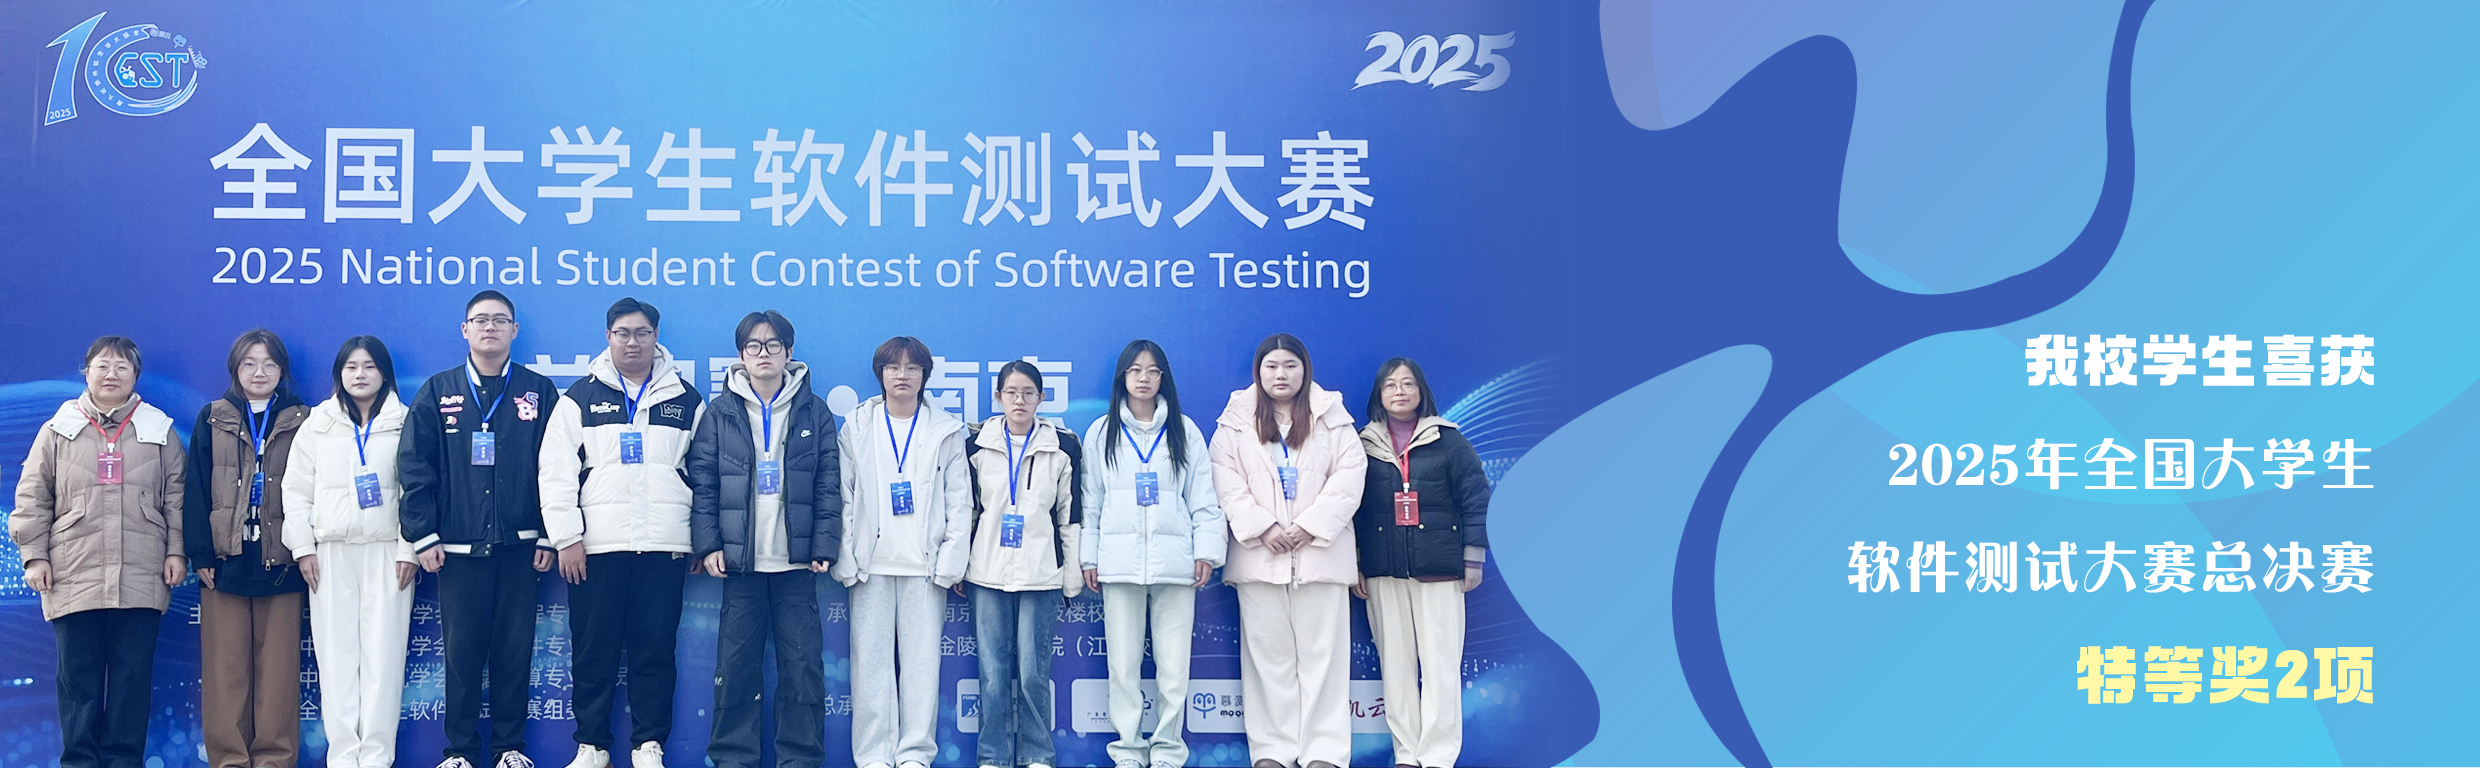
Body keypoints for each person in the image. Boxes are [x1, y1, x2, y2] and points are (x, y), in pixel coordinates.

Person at [399, 290, 564, 768]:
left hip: (521, 547)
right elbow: (415, 466)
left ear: (514, 330)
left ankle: (511, 748)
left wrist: (549, 533)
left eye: (500, 320)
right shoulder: (438, 391)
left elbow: (557, 468)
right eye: (481, 320)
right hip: (456, 549)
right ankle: (460, 752)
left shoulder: (538, 391)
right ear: (465, 330)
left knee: (515, 651)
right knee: (461, 654)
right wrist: (423, 536)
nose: (490, 327)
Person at [539, 298, 705, 768]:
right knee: (594, 650)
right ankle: (592, 746)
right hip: (597, 547)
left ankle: (648, 745)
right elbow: (555, 472)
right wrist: (567, 538)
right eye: (623, 333)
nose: (633, 342)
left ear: (656, 337)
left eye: (642, 333)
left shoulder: (686, 400)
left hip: (664, 546)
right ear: (608, 337)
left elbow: (704, 473)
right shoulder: (579, 398)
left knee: (655, 650)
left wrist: (700, 538)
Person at [10, 336, 187, 768]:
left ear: (135, 376)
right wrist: (35, 555)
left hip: (141, 574)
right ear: (86, 372)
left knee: (131, 682)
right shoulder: (58, 429)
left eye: (122, 367)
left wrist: (176, 551)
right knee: (78, 683)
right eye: (102, 366)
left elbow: (177, 499)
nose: (111, 375)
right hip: (73, 574)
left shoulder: (158, 430)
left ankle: (124, 762)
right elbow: (32, 497)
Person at [687, 310, 841, 768]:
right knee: (735, 668)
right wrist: (709, 544)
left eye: (774, 345)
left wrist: (823, 545)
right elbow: (703, 480)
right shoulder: (720, 411)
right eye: (754, 345)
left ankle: (800, 759)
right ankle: (733, 759)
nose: (764, 353)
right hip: (741, 563)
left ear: (789, 353)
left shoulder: (814, 410)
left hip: (796, 562)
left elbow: (829, 482)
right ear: (741, 355)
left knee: (803, 669)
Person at [1208, 333, 1365, 768]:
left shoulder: (1332, 417)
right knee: (1267, 660)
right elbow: (1224, 479)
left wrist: (1310, 527)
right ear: (1258, 371)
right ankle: (1272, 750)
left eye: (1290, 365)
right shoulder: (1235, 421)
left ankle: (1324, 752)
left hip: (1320, 555)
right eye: (1272, 366)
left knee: (1324, 659)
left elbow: (1350, 476)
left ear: (1305, 369)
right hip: (1260, 557)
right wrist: (1263, 527)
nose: (1281, 374)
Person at [1079, 340, 1222, 768]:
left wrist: (1206, 551)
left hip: (1175, 564)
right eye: (1135, 370)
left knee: (1173, 669)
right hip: (1119, 564)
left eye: (1153, 370)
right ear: (1122, 377)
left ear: (1164, 378)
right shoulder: (1101, 432)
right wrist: (1090, 557)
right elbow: (1090, 500)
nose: (1144, 378)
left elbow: (1203, 497)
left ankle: (1167, 751)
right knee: (1122, 666)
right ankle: (1127, 749)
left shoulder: (1184, 430)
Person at [833, 336, 971, 768]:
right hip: (870, 565)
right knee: (869, 666)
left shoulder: (945, 430)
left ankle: (914, 754)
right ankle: (874, 755)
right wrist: (846, 557)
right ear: (881, 374)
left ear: (924, 375)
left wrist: (949, 563)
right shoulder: (857, 427)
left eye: (913, 368)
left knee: (922, 668)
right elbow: (842, 495)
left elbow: (960, 501)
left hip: (923, 567)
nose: (903, 376)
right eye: (894, 368)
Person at [282, 336, 419, 768]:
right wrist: (303, 547)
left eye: (369, 366)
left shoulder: (406, 422)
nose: (360, 375)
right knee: (336, 659)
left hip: (387, 552)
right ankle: (342, 757)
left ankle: (376, 756)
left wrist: (409, 550)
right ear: (339, 374)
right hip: (330, 554)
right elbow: (295, 489)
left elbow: (416, 490)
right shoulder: (317, 423)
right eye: (351, 367)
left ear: (385, 373)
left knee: (384, 657)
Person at [1350, 358, 1492, 768]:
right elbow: (1350, 509)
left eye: (1407, 384)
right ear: (1379, 394)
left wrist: (1473, 557)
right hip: (1383, 570)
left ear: (1421, 391)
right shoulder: (1361, 445)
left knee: (1440, 665)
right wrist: (1355, 562)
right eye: (1390, 385)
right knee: (1395, 667)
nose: (1399, 391)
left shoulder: (1448, 440)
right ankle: (1406, 754)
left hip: (1440, 569)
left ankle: (1437, 756)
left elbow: (1476, 498)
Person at [183, 329, 313, 768]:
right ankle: (230, 760)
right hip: (226, 561)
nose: (260, 372)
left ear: (282, 371)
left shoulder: (304, 419)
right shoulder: (213, 417)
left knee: (278, 674)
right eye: (250, 364)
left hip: (283, 560)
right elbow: (195, 489)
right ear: (235, 369)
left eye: (269, 364)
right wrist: (201, 554)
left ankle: (274, 759)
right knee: (226, 672)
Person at [962, 361, 1084, 768]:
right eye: (1011, 392)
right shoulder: (976, 447)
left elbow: (1070, 516)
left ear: (1041, 398)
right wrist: (959, 566)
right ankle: (993, 756)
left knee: (1033, 672)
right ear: (998, 397)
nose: (1020, 400)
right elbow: (967, 512)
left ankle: (1037, 754)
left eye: (1028, 392)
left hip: (1040, 574)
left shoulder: (1062, 447)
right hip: (986, 572)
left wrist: (1070, 578)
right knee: (992, 672)